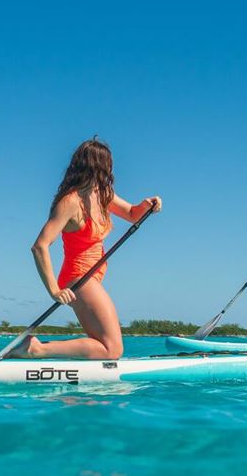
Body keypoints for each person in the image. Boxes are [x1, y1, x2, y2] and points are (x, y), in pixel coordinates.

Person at [11, 138, 161, 360]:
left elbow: (132, 214)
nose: (111, 171)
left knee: (105, 346)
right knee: (112, 349)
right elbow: (39, 246)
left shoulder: (103, 195)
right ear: (96, 166)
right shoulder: (71, 202)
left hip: (92, 277)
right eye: (107, 165)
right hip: (78, 279)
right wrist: (54, 290)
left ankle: (40, 351)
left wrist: (147, 206)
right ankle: (36, 349)